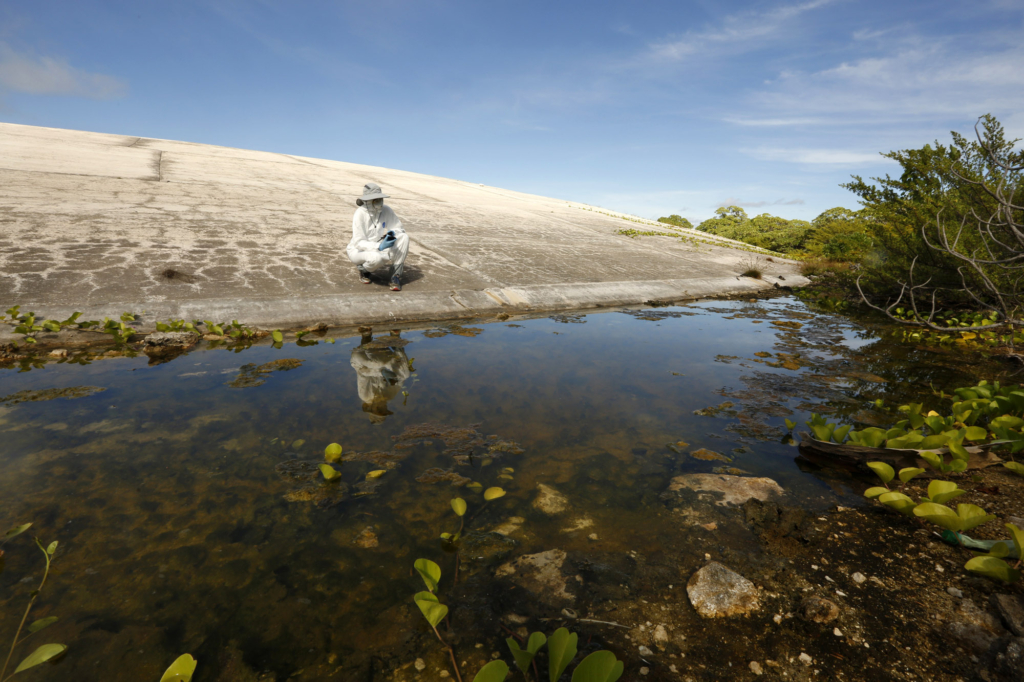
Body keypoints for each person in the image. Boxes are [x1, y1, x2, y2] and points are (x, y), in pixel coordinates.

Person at [346, 182, 410, 291]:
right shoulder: (359, 214)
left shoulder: (386, 210)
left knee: (404, 237)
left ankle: (395, 276)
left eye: (380, 199)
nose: (380, 203)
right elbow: (358, 242)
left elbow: (398, 227)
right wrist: (379, 247)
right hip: (358, 251)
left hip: (379, 243)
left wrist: (392, 233)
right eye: (376, 200)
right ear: (368, 201)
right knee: (377, 258)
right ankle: (364, 270)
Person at [349, 331, 411, 424]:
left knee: (377, 363)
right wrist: (394, 378)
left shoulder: (365, 396)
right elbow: (400, 379)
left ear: (371, 408)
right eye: (384, 410)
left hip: (363, 362)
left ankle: (366, 337)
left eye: (379, 410)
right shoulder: (390, 396)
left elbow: (362, 373)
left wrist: (381, 372)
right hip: (384, 360)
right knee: (406, 375)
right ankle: (396, 342)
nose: (383, 407)